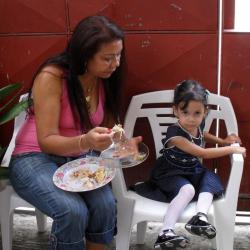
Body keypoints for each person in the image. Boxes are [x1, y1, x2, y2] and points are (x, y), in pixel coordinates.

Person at [9, 15, 141, 250]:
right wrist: (85, 141)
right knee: (72, 211)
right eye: (108, 58)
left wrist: (122, 142)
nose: (116, 64)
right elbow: (47, 141)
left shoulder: (105, 78)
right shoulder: (52, 77)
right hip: (33, 158)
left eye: (119, 55)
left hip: (76, 158)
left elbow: (110, 128)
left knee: (105, 205)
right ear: (84, 56)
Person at [135, 80, 246, 249]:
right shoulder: (174, 134)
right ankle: (165, 232)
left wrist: (222, 141)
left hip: (192, 170)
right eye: (185, 112)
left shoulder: (198, 123)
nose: (191, 119)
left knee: (210, 179)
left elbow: (203, 134)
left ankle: (200, 218)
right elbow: (202, 153)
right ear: (175, 110)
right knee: (188, 190)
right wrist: (231, 149)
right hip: (170, 173)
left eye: (197, 113)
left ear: (205, 112)